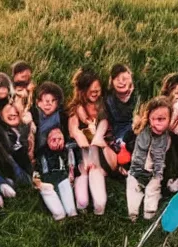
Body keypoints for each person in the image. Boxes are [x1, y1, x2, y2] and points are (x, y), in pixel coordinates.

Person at [67, 68, 109, 215]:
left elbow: (104, 122)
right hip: (81, 154)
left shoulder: (101, 105)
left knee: (100, 202)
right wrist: (79, 135)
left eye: (98, 90)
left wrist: (98, 136)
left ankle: (98, 204)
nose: (96, 93)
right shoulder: (76, 108)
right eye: (92, 91)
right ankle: (82, 201)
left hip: (96, 152)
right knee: (82, 199)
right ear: (82, 91)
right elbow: (73, 128)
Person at [127, 96, 172, 222]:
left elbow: (160, 159)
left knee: (153, 190)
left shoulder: (166, 138)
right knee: (132, 190)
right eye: (153, 119)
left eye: (162, 119)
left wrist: (157, 177)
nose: (157, 123)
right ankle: (133, 215)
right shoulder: (142, 131)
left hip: (153, 173)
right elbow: (129, 140)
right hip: (136, 170)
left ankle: (149, 214)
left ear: (169, 120)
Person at [34, 127, 77, 220]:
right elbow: (35, 168)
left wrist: (71, 174)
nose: (56, 141)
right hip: (47, 179)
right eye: (53, 138)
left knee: (66, 188)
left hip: (62, 177)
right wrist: (37, 181)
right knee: (47, 190)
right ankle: (59, 215)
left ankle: (72, 213)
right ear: (47, 140)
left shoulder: (66, 150)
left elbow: (71, 164)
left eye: (59, 138)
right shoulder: (40, 152)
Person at [104, 63, 138, 172]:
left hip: (135, 128)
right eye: (117, 79)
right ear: (112, 82)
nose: (121, 82)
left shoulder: (137, 95)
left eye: (124, 78)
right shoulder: (109, 98)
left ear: (130, 79)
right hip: (119, 134)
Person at [31, 81, 68, 151]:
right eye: (45, 101)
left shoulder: (63, 115)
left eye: (53, 101)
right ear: (37, 102)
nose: (48, 104)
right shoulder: (33, 115)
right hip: (37, 153)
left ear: (58, 103)